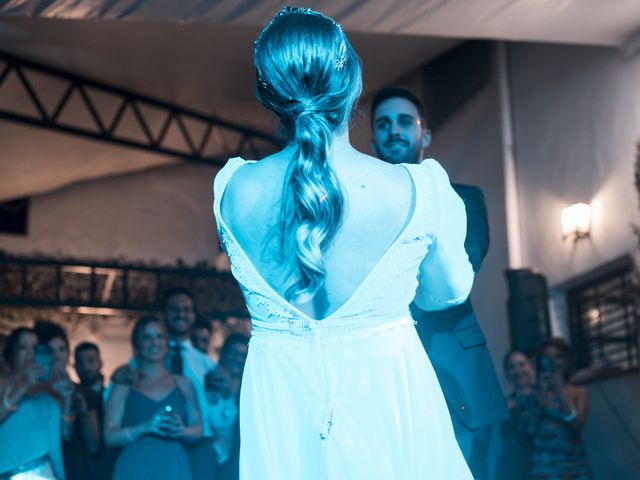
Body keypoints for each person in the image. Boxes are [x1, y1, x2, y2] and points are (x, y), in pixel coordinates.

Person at [213, 7, 474, 478]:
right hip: (388, 395)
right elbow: (450, 291)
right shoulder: (419, 188)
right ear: (353, 82)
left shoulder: (232, 189)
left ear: (266, 94)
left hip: (280, 405)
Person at [370, 85, 509, 478]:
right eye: (383, 124)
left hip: (453, 364)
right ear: (373, 139)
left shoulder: (463, 198)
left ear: (424, 134)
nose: (393, 131)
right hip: (384, 367)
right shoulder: (364, 205)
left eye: (403, 122)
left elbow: (464, 267)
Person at [111, 288, 235, 479]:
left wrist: (218, 444)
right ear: (164, 314)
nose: (181, 314)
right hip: (145, 448)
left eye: (186, 309)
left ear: (194, 315)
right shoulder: (133, 368)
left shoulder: (208, 365)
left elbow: (221, 414)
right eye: (174, 309)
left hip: (199, 447)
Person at [104, 316, 202, 480]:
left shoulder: (183, 384)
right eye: (147, 337)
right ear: (137, 343)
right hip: (135, 467)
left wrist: (182, 430)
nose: (154, 342)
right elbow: (110, 437)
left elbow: (199, 429)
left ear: (167, 342)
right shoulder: (124, 385)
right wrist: (146, 427)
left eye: (159, 336)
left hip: (173, 466)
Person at [0, 327, 68, 479]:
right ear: (12, 353)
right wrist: (22, 387)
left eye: (35, 348)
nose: (30, 352)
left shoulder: (50, 390)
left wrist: (68, 399)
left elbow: (67, 435)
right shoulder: (3, 384)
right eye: (23, 347)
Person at [527, 339, 592, 479]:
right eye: (547, 357)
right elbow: (530, 428)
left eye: (558, 356)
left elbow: (577, 426)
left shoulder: (579, 392)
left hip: (574, 466)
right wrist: (543, 394)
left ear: (567, 360)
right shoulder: (536, 393)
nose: (554, 361)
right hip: (545, 468)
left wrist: (560, 390)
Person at [63, 342, 115, 480]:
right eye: (80, 362)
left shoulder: (112, 396)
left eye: (90, 360)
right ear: (74, 366)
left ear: (100, 363)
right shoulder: (70, 398)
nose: (85, 367)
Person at [495, 349, 536, 480]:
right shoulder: (505, 404)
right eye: (512, 367)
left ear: (531, 366)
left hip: (543, 464)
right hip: (514, 468)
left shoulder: (543, 397)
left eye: (522, 364)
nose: (518, 370)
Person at [215, 334, 249, 480]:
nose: (238, 359)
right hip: (206, 460)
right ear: (223, 353)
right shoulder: (207, 383)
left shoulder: (249, 391)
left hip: (235, 463)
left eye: (243, 355)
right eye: (234, 353)